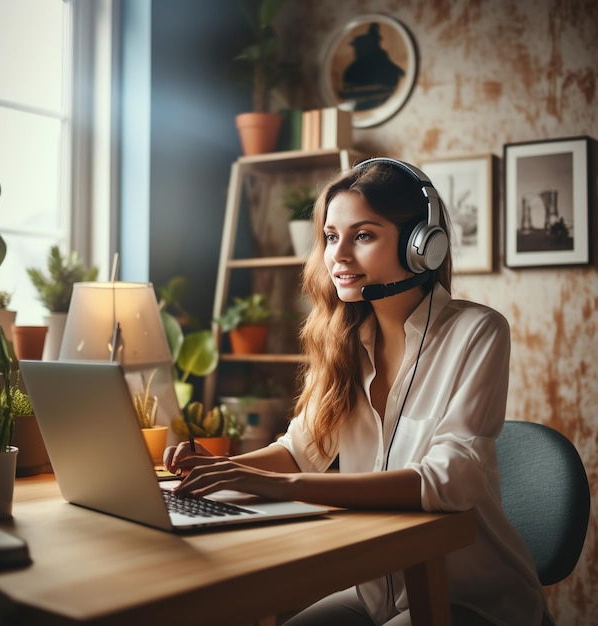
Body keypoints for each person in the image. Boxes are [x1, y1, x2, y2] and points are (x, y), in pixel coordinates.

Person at [164, 158, 552, 625]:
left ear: (421, 247)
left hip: (471, 598)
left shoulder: (478, 331)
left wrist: (280, 487)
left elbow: (451, 480)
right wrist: (221, 469)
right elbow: (298, 451)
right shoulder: (341, 340)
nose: (338, 255)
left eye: (363, 236)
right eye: (331, 237)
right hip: (375, 594)